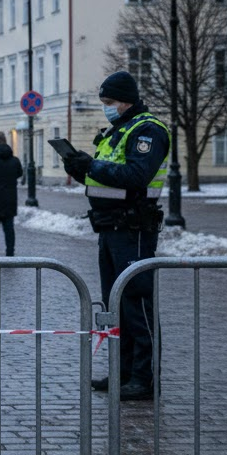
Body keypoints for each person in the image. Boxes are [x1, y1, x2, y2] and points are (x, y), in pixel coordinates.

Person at [60, 70, 169, 402]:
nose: (106, 107)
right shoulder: (117, 131)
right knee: (116, 303)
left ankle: (144, 378)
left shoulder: (148, 130)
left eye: (109, 102)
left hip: (133, 229)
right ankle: (123, 372)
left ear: (126, 100)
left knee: (136, 302)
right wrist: (80, 169)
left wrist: (91, 166)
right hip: (110, 227)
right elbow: (106, 179)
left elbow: (136, 175)